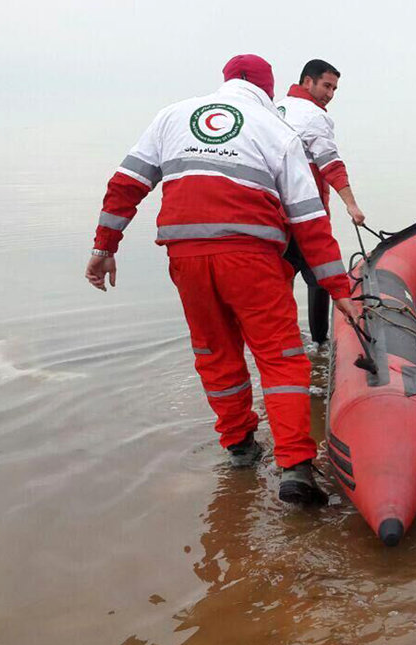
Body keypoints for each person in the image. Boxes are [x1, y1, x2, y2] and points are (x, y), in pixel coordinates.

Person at [84, 54, 361, 505]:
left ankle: (239, 448)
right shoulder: (276, 130)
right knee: (281, 357)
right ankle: (295, 468)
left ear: (226, 81)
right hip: (250, 255)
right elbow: (310, 220)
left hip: (185, 255)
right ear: (270, 90)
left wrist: (103, 249)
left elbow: (125, 185)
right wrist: (339, 289)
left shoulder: (172, 116)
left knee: (215, 351)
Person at [277, 59, 365, 344]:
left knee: (281, 277)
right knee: (320, 278)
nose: (330, 94)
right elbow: (331, 165)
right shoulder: (315, 116)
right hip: (306, 213)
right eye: (326, 85)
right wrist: (351, 205)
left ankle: (284, 338)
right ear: (307, 82)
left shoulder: (275, 109)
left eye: (335, 88)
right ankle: (320, 344)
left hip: (273, 215)